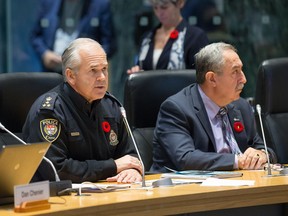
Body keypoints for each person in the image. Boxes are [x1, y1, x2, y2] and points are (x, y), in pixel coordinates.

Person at [22, 38, 142, 183]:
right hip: (59, 200)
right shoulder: (50, 111)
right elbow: (55, 169)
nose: (102, 77)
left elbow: (131, 155)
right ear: (71, 76)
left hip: (108, 194)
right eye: (93, 71)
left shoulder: (112, 106)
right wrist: (113, 166)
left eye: (104, 69)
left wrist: (132, 169)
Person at [150, 42, 277, 173]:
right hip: (184, 188)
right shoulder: (176, 109)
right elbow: (185, 159)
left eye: (241, 70)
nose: (243, 79)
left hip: (239, 184)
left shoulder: (241, 106)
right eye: (235, 71)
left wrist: (262, 155)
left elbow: (265, 149)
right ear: (212, 79)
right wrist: (238, 161)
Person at [30, 0, 116, 73]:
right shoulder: (49, 3)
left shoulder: (100, 5)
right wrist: (44, 53)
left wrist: (88, 61)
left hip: (83, 75)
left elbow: (109, 44)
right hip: (52, 71)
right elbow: (36, 36)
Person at [127, 0, 209, 74]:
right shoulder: (147, 38)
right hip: (149, 90)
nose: (159, 13)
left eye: (164, 7)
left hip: (181, 90)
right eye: (155, 8)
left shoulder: (196, 36)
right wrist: (136, 71)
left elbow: (201, 77)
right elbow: (141, 67)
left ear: (180, 3)